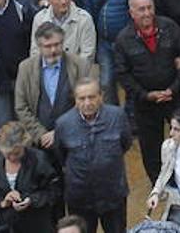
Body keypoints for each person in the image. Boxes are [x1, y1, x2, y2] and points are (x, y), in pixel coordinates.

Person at [113, 0, 180, 185]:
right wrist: (146, 95)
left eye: (149, 8)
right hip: (145, 103)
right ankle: (160, 183)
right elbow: (123, 75)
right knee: (151, 147)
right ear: (131, 12)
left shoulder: (169, 27)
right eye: (141, 10)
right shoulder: (123, 39)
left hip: (176, 97)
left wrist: (173, 89)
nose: (147, 13)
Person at [52, 79, 133, 233]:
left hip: (113, 195)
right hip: (80, 198)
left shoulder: (117, 116)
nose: (87, 103)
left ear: (101, 96)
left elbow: (126, 143)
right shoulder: (63, 124)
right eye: (82, 98)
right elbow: (61, 155)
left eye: (92, 97)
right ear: (75, 100)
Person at [13, 21, 95, 149]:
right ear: (39, 47)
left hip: (74, 139)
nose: (53, 50)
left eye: (57, 45)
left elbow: (89, 102)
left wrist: (60, 132)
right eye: (48, 46)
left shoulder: (80, 66)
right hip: (39, 142)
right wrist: (41, 134)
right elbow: (21, 106)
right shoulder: (25, 68)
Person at [0, 120, 60, 233]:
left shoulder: (39, 160)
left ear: (24, 145)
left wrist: (31, 200)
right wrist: (3, 202)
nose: (12, 157)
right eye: (7, 154)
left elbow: (54, 191)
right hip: (4, 226)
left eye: (16, 153)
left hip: (36, 224)